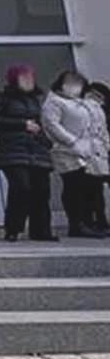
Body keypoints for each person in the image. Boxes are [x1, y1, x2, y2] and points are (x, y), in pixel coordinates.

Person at [0, 64, 57, 242]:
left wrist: (46, 142)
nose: (28, 81)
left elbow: (40, 124)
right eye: (24, 77)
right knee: (21, 187)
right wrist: (22, 125)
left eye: (30, 77)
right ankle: (13, 228)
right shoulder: (1, 98)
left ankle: (41, 231)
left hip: (36, 149)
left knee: (41, 190)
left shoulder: (34, 100)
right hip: (12, 150)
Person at [42, 70, 109, 239]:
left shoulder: (82, 103)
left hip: (90, 152)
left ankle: (91, 222)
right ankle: (76, 224)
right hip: (66, 151)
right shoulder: (54, 101)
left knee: (90, 188)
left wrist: (103, 145)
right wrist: (72, 141)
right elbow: (52, 125)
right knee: (74, 187)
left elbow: (97, 127)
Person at [88, 82, 110, 230]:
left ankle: (100, 220)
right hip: (95, 153)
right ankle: (99, 220)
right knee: (94, 189)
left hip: (104, 150)